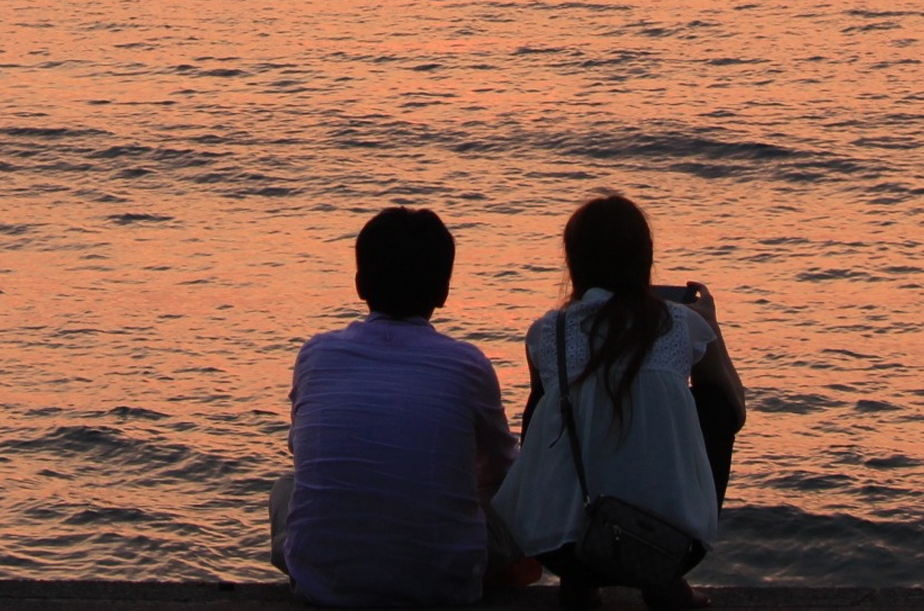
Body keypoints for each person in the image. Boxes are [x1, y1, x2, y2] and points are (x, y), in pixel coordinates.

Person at [491, 196, 747, 609]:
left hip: (560, 547)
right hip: (671, 546)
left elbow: (538, 430)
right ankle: (663, 582)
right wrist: (712, 328)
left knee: (545, 407)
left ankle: (578, 580)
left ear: (575, 263)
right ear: (644, 261)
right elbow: (735, 410)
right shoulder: (682, 325)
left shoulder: (548, 333)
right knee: (715, 403)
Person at [274, 207, 523, 606]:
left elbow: (301, 453)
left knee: (286, 488)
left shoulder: (315, 354)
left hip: (322, 588)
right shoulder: (467, 364)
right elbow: (504, 469)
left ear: (359, 284)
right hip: (443, 589)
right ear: (443, 291)